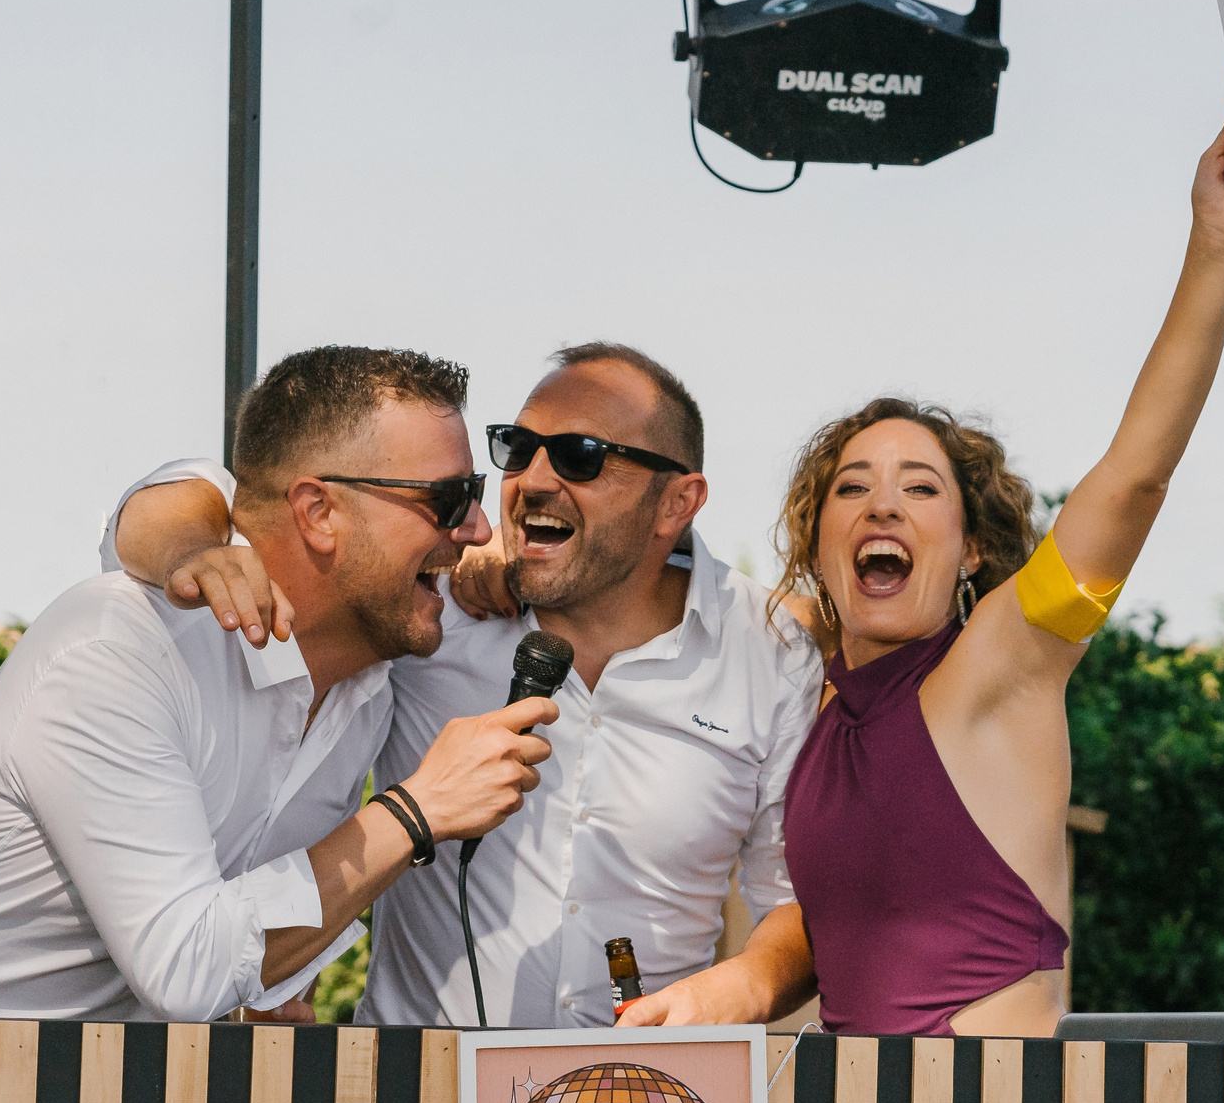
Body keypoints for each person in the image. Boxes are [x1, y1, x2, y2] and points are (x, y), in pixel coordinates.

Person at [0, 346, 557, 1022]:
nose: (478, 528)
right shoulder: (119, 647)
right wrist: (415, 811)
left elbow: (231, 954)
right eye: (449, 500)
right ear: (319, 511)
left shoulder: (366, 697)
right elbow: (187, 967)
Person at [109, 343, 824, 1030]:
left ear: (679, 502)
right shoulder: (427, 607)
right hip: (416, 1099)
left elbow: (796, 898)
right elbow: (219, 500)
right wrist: (195, 548)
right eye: (517, 449)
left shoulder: (771, 650)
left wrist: (747, 985)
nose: (534, 481)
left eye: (580, 457)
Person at [774, 91, 1224, 1038]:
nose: (883, 503)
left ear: (973, 550)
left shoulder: (1003, 658)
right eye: (853, 487)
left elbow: (1134, 479)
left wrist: (1217, 241)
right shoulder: (812, 695)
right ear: (819, 539)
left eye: (921, 488)